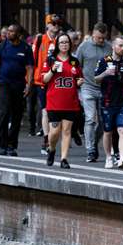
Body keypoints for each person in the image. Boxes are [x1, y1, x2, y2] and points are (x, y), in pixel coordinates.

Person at [41, 32, 82, 168]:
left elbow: (78, 79)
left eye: (66, 42)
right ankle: (51, 149)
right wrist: (52, 70)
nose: (64, 45)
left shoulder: (74, 61)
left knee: (67, 130)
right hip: (54, 101)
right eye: (62, 42)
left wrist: (80, 82)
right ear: (57, 45)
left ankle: (64, 159)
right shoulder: (51, 59)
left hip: (70, 101)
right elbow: (44, 79)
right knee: (54, 132)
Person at [95, 36, 123, 169]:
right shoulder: (104, 61)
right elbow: (96, 79)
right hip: (107, 102)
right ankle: (108, 157)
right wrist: (105, 73)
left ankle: (122, 156)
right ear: (113, 46)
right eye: (120, 46)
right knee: (108, 132)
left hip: (122, 102)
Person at [0, 24, 34, 157]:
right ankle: (2, 144)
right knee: (4, 112)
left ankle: (12, 145)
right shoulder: (3, 46)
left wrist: (29, 85)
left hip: (19, 84)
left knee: (17, 115)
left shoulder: (26, 48)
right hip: (4, 82)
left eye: (11, 31)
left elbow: (29, 68)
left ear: (18, 34)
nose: (8, 33)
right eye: (8, 31)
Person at [75, 23, 111, 162]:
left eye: (103, 38)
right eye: (98, 38)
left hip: (104, 88)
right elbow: (77, 65)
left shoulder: (108, 47)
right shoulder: (84, 46)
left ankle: (94, 142)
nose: (101, 41)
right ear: (93, 34)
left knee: (103, 121)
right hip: (88, 87)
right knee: (90, 118)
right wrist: (78, 83)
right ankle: (90, 149)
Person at [31, 14, 61, 149]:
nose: (56, 26)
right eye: (53, 23)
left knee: (56, 110)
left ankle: (55, 136)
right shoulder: (39, 39)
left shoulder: (61, 40)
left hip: (57, 80)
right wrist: (29, 79)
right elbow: (32, 60)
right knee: (45, 110)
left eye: (58, 23)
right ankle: (46, 139)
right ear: (47, 25)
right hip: (42, 80)